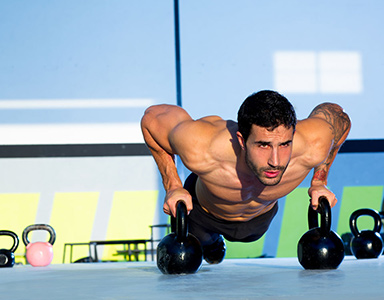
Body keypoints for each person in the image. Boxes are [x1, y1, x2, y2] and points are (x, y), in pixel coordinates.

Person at [141, 90, 351, 264]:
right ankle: (212, 243)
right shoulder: (202, 145)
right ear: (242, 140)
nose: (275, 161)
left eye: (285, 144)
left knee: (251, 235)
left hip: (258, 221)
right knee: (207, 249)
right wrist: (173, 185)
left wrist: (319, 180)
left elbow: (339, 117)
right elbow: (152, 117)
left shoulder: (313, 143)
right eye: (263, 145)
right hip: (204, 215)